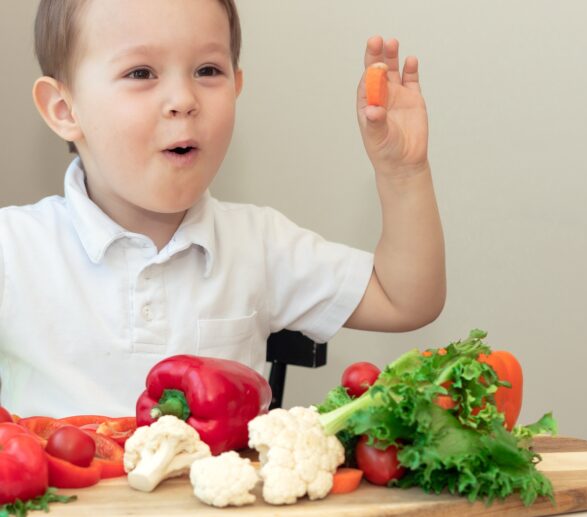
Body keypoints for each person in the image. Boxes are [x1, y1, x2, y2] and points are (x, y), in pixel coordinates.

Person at [0, 0, 445, 417]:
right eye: (141, 73)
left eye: (207, 70)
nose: (183, 99)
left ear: (237, 86)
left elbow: (404, 300)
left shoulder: (259, 244)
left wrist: (403, 173)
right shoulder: (14, 248)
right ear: (63, 109)